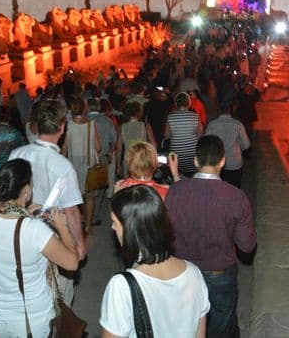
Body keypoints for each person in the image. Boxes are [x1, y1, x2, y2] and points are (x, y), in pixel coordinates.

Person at [0, 159, 79, 338]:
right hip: (31, 320)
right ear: (27, 190)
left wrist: (23, 213)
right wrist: (62, 227)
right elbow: (72, 263)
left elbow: (3, 234)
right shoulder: (35, 230)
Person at [166, 135, 257, 338]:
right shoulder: (235, 196)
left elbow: (167, 233)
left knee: (186, 324)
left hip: (184, 272)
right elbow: (247, 246)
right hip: (220, 273)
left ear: (196, 161)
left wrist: (176, 178)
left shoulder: (175, 192)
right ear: (222, 161)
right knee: (222, 325)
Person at [100, 185, 209, 338]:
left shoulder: (121, 287)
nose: (112, 227)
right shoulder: (194, 274)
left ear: (131, 229)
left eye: (115, 222)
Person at [8, 100, 85, 304]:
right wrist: (79, 243)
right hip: (54, 240)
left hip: (20, 235)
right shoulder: (63, 166)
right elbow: (72, 213)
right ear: (62, 126)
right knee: (58, 300)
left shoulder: (17, 153)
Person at [63, 97, 102, 232]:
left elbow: (65, 149)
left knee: (75, 196)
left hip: (73, 165)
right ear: (84, 108)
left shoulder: (68, 124)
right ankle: (88, 225)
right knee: (90, 197)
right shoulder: (92, 124)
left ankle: (80, 219)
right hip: (89, 163)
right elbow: (98, 147)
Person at [204, 99, 251, 188]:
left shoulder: (212, 124)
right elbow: (246, 145)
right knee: (234, 189)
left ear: (219, 110)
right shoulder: (238, 124)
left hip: (217, 163)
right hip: (235, 164)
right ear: (230, 110)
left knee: (219, 189)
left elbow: (206, 143)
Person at [165, 92, 203, 178]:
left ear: (176, 103)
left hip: (177, 155)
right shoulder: (195, 116)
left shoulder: (170, 117)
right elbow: (200, 135)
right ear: (189, 103)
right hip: (192, 153)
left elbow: (166, 136)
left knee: (178, 177)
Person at [115, 101, 156, 178]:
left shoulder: (122, 127)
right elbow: (154, 145)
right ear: (139, 112)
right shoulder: (145, 126)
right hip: (143, 159)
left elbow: (119, 149)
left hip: (128, 160)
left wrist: (118, 166)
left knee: (129, 186)